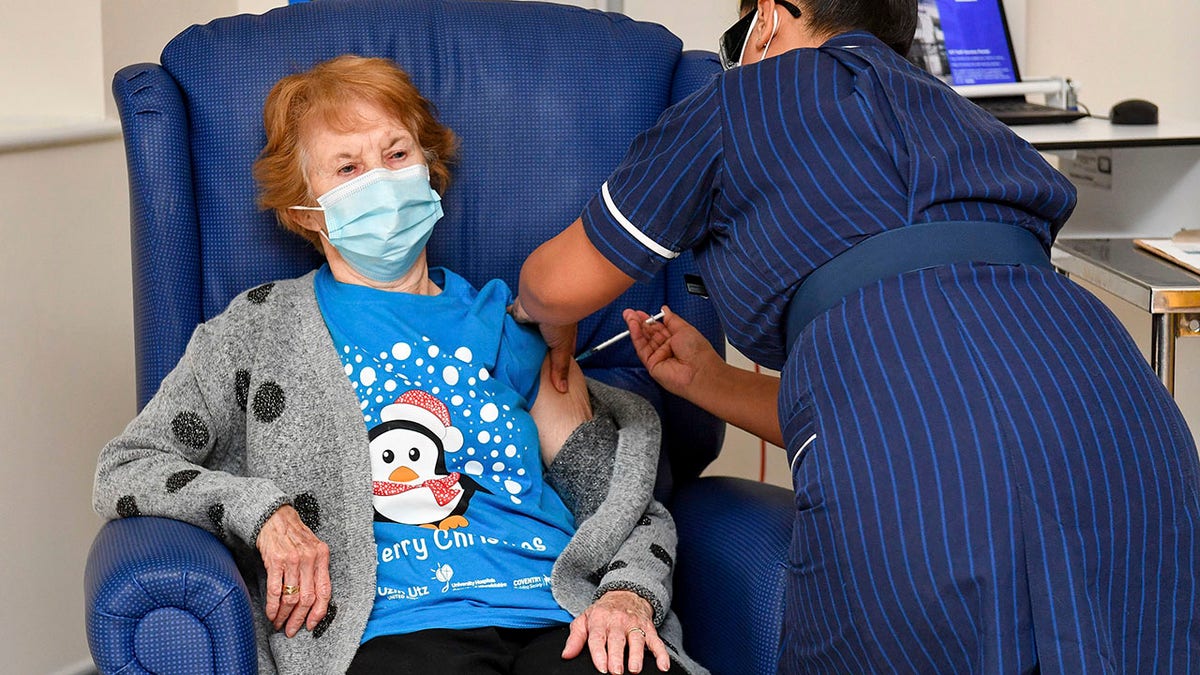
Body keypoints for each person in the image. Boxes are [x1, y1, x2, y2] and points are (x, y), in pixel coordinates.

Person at [513, 1, 1200, 672]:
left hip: (923, 477)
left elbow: (555, 284)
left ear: (772, 17)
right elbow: (951, 382)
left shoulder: (741, 100)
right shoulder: (962, 117)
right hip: (1128, 434)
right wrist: (709, 381)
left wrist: (551, 321)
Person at [93, 55, 710, 675]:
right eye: (348, 167)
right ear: (305, 209)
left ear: (430, 172)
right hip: (396, 627)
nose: (382, 183)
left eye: (396, 156)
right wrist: (263, 513)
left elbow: (618, 501)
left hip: (558, 613)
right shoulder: (257, 331)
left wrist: (629, 594)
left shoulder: (508, 325)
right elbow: (127, 469)